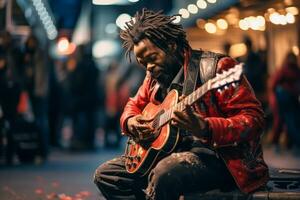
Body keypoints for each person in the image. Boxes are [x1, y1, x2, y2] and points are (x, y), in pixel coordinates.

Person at [94, 9, 269, 200]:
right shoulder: (153, 77)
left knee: (164, 174)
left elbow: (254, 120)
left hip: (220, 160)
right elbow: (133, 105)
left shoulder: (217, 69)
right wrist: (130, 121)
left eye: (152, 59)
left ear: (171, 45)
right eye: (143, 63)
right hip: (169, 155)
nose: (149, 68)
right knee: (107, 175)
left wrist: (206, 128)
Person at [268, 51, 300, 148]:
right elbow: (273, 84)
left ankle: (281, 143)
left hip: (285, 98)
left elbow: (273, 84)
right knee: (287, 120)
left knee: (284, 121)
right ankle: (285, 143)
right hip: (284, 98)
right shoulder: (288, 69)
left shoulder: (285, 69)